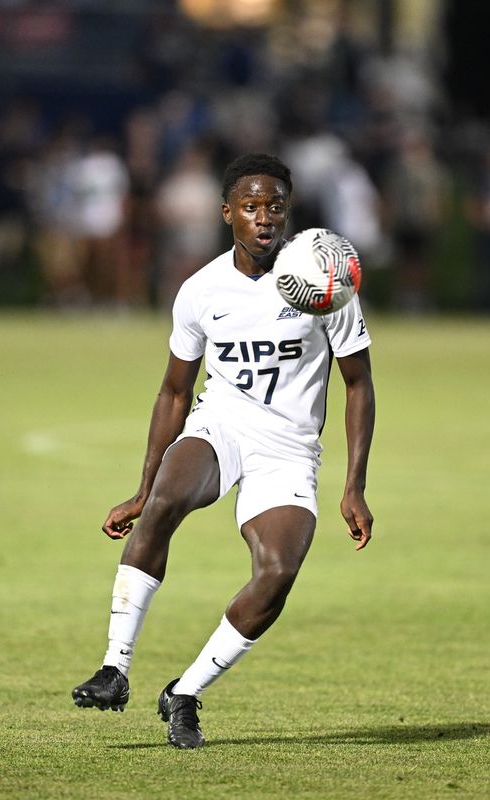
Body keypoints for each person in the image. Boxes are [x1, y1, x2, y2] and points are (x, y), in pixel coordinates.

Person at [70, 153, 375, 749]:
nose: (265, 218)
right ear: (227, 213)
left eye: (276, 207)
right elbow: (176, 390)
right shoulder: (201, 290)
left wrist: (354, 484)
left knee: (277, 575)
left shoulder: (325, 281)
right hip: (222, 425)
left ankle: (185, 692)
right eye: (252, 207)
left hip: (288, 449)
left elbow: (359, 382)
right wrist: (141, 485)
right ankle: (114, 667)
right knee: (166, 500)